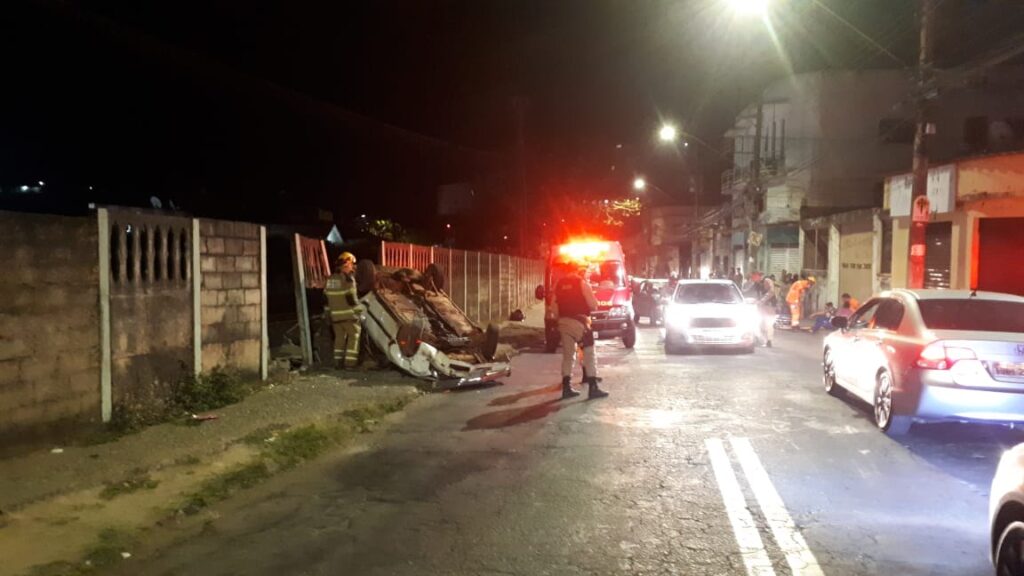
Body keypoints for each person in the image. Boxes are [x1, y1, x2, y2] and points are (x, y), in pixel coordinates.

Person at [552, 263, 608, 400]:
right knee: (589, 352)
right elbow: (593, 304)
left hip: (563, 322)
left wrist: (560, 319)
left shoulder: (558, 284)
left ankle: (566, 387)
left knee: (568, 354)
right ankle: (593, 387)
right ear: (576, 270)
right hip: (580, 322)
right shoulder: (581, 283)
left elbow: (554, 306)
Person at [325, 252, 364, 369]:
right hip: (348, 316)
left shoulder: (330, 279)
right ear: (346, 264)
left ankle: (337, 362)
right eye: (351, 264)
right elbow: (352, 299)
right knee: (354, 336)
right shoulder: (348, 279)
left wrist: (328, 314)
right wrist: (360, 311)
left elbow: (326, 298)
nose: (352, 267)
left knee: (339, 338)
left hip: (335, 316)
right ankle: (350, 364)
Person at [754, 272, 777, 347]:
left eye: (755, 277)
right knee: (758, 322)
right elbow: (755, 294)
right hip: (762, 307)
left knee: (768, 323)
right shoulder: (757, 284)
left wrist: (762, 301)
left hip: (769, 306)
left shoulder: (767, 280)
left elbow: (771, 292)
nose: (754, 279)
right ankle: (758, 338)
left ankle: (769, 340)